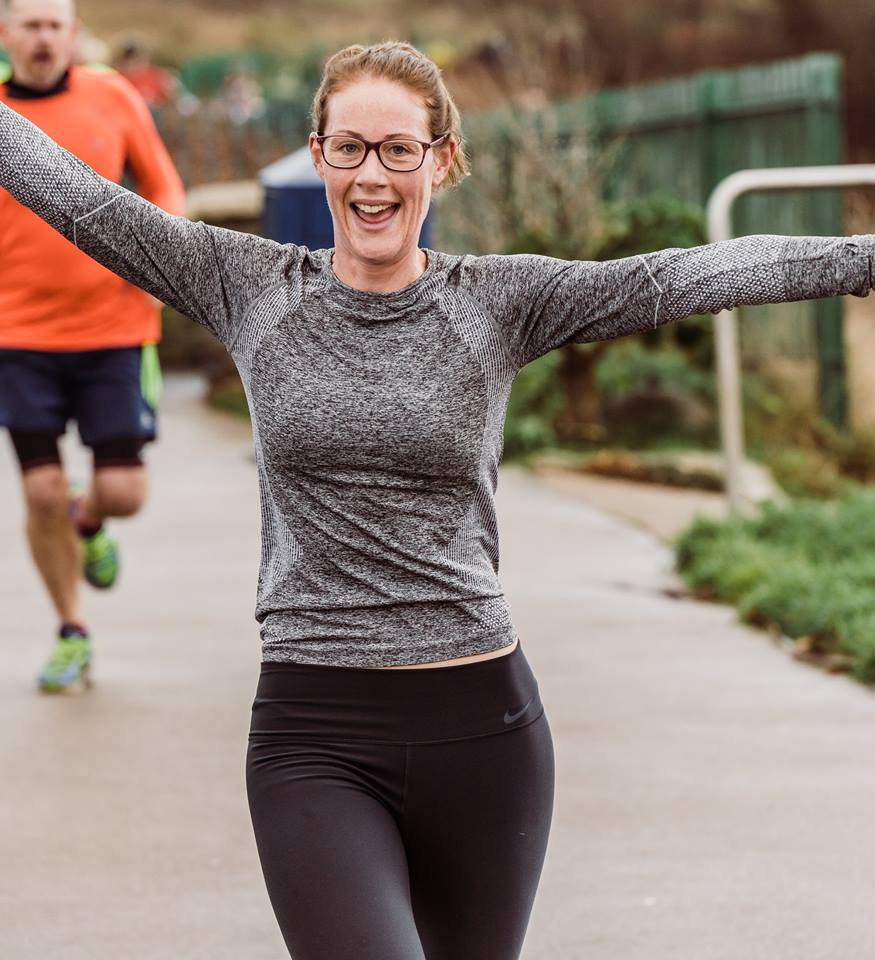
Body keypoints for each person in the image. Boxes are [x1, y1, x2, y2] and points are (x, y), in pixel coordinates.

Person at [1, 37, 874, 960]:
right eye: (348, 148)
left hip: (484, 731)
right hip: (313, 731)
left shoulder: (498, 302)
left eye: (397, 150)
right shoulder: (246, 284)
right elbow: (83, 199)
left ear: (440, 160)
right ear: (319, 152)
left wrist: (862, 260)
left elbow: (677, 277)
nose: (370, 176)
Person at [0, 0, 185, 694]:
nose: (44, 38)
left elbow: (161, 180)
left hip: (113, 326)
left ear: (72, 35)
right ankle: (71, 628)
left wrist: (165, 255)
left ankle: (91, 520)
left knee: (123, 491)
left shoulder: (111, 96)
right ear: (7, 35)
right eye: (32, 26)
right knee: (40, 488)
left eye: (56, 26)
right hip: (16, 333)